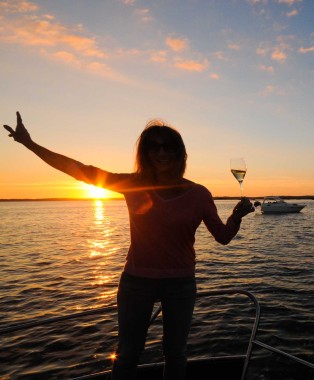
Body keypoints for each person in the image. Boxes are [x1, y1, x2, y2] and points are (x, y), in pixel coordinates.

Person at [4, 112, 255, 379]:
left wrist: (236, 217)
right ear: (144, 152)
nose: (161, 152)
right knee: (127, 355)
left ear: (180, 152)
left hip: (181, 283)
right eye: (153, 145)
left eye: (167, 146)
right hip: (137, 281)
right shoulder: (134, 184)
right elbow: (79, 170)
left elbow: (223, 236)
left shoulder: (199, 194)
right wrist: (30, 144)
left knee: (176, 353)